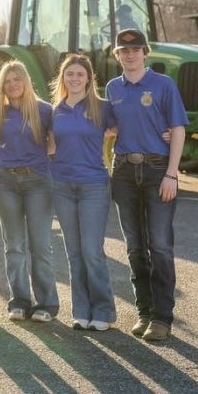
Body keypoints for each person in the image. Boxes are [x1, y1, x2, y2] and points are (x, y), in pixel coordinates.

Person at [106, 28, 188, 342]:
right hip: (124, 171)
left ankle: (162, 317)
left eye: (135, 50)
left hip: (157, 171)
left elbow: (177, 130)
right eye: (123, 51)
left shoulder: (163, 85)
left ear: (145, 52)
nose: (129, 55)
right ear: (117, 56)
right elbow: (107, 126)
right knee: (135, 247)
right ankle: (144, 311)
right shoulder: (113, 88)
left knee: (161, 247)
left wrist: (172, 173)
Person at [49, 54, 117, 332]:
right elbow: (44, 143)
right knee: (74, 252)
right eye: (69, 74)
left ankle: (103, 309)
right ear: (62, 78)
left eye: (80, 74)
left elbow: (130, 128)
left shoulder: (103, 108)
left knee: (92, 251)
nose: (74, 79)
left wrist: (164, 135)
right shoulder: (54, 111)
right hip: (62, 186)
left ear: (89, 79)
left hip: (93, 186)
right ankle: (81, 310)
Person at [0, 60, 59, 323]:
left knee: (41, 245)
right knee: (14, 245)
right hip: (6, 181)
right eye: (7, 81)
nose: (12, 85)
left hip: (38, 182)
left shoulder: (44, 111)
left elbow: (57, 143)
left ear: (26, 82)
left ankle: (47, 303)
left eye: (17, 79)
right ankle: (19, 300)